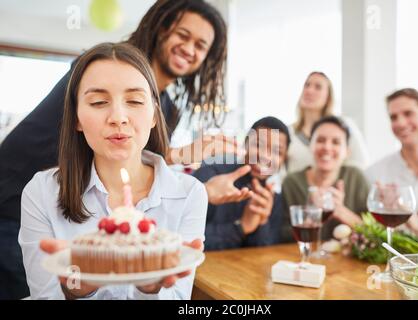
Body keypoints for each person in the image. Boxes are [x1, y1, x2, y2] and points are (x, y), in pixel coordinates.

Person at [0, 0, 248, 299]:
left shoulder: (168, 108)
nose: (118, 116)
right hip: (16, 202)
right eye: (183, 35)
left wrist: (200, 189)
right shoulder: (92, 72)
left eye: (200, 44)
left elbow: (130, 155)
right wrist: (74, 289)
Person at [18, 43, 207, 299]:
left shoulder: (190, 193)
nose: (118, 117)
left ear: (153, 114)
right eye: (98, 102)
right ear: (76, 118)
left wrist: (149, 289)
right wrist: (77, 289)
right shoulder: (42, 191)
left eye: (135, 101)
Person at [366, 88, 418, 249]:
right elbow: (373, 233)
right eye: (393, 117)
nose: (400, 123)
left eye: (408, 113)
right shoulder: (376, 173)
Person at [193, 117, 290, 250]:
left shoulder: (273, 197)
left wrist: (262, 222)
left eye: (277, 152)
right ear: (245, 143)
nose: (265, 156)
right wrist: (241, 227)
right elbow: (186, 239)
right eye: (258, 145)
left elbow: (265, 253)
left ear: (283, 160)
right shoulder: (210, 176)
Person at [282, 116, 370, 242]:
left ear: (347, 152)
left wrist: (340, 211)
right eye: (320, 140)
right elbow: (281, 236)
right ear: (310, 146)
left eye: (336, 142)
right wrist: (311, 216)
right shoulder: (291, 183)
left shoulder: (356, 178)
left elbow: (375, 232)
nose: (327, 147)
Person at [287, 72, 369, 173]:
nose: (309, 91)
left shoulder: (344, 125)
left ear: (328, 97)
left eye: (318, 87)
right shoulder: (289, 132)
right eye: (307, 85)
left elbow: (361, 164)